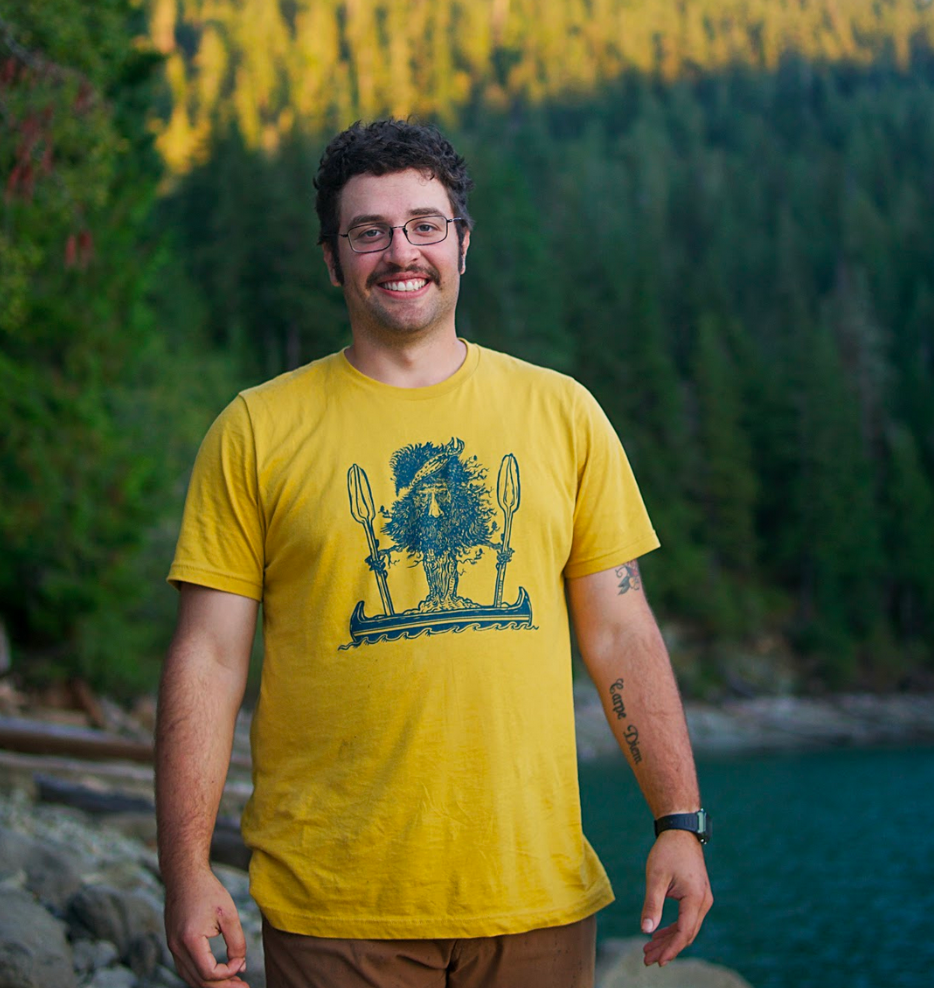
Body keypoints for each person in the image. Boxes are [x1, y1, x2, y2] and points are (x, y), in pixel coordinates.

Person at [155, 118, 712, 988]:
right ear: (332, 260)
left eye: (423, 225)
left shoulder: (562, 415)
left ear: (462, 243)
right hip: (335, 908)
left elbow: (621, 633)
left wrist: (678, 820)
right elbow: (209, 657)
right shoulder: (257, 430)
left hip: (535, 900)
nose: (399, 251)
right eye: (368, 231)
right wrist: (185, 871)